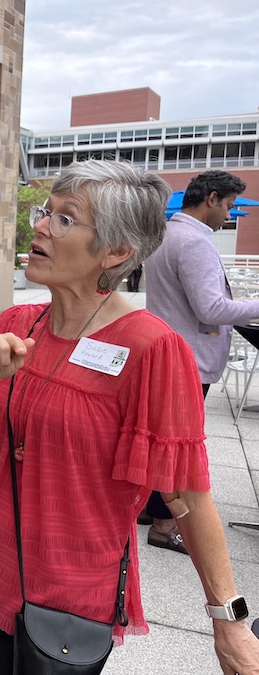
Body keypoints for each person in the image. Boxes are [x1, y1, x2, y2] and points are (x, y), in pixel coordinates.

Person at [0, 160, 259, 675]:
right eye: (47, 212)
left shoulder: (152, 349)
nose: (39, 225)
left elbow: (186, 492)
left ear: (115, 252)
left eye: (65, 219)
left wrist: (229, 619)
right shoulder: (18, 323)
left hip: (64, 596)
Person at [144, 170, 258, 555]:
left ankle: (150, 507)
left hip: (167, 350)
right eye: (227, 206)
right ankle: (163, 524)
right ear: (211, 198)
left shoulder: (165, 234)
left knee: (158, 436)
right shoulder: (195, 242)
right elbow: (211, 307)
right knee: (175, 444)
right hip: (189, 357)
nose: (228, 215)